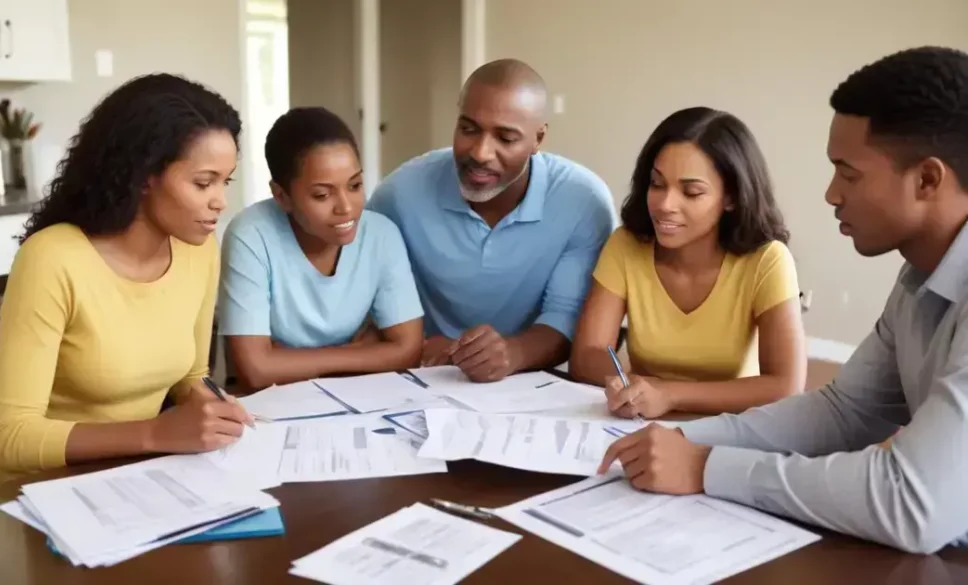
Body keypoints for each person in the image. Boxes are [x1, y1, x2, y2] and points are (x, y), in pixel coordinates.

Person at [598, 46, 968, 554]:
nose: (831, 194)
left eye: (849, 173)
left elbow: (911, 503)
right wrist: (687, 440)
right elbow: (844, 411)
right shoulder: (917, 276)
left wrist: (707, 466)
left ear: (927, 179)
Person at [0, 73, 252, 488]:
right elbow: (11, 437)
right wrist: (157, 434)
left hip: (125, 476)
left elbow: (191, 374)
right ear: (143, 176)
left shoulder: (199, 248)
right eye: (202, 182)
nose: (220, 202)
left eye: (225, 182)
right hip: (24, 492)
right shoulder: (53, 258)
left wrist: (210, 409)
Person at [367, 58, 616, 382]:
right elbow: (362, 299)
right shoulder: (398, 195)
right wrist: (416, 343)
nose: (481, 152)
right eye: (468, 129)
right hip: (420, 377)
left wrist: (513, 353)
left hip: (531, 383)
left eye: (506, 138)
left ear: (538, 139)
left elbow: (566, 314)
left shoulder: (583, 200)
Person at [570, 107, 806, 418]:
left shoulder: (767, 260)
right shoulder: (626, 245)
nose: (665, 205)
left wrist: (669, 394)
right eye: (656, 184)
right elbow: (587, 353)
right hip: (643, 422)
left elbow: (785, 386)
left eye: (691, 192)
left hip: (730, 427)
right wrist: (625, 384)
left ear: (731, 198)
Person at [218, 107, 423, 389]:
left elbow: (408, 351)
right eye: (322, 194)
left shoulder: (381, 234)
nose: (347, 207)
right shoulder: (251, 235)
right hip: (272, 404)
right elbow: (254, 370)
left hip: (356, 398)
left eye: (355, 185)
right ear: (281, 195)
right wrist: (360, 353)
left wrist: (285, 359)